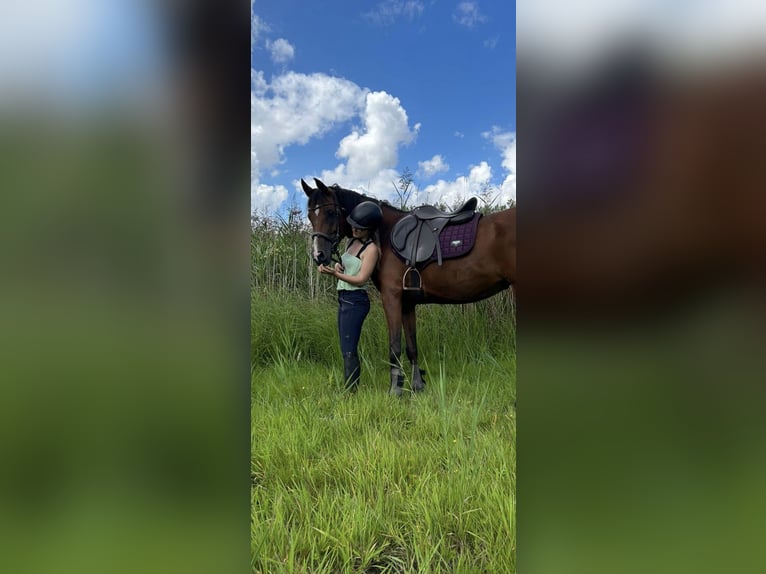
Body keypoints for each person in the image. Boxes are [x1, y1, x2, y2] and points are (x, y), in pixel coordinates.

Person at [318, 201, 382, 391]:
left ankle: (351, 391)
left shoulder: (371, 250)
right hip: (344, 298)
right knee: (345, 345)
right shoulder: (351, 242)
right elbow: (349, 266)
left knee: (349, 347)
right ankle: (350, 387)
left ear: (369, 229)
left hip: (356, 300)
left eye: (360, 228)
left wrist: (335, 275)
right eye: (354, 225)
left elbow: (362, 278)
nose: (355, 230)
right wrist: (338, 266)